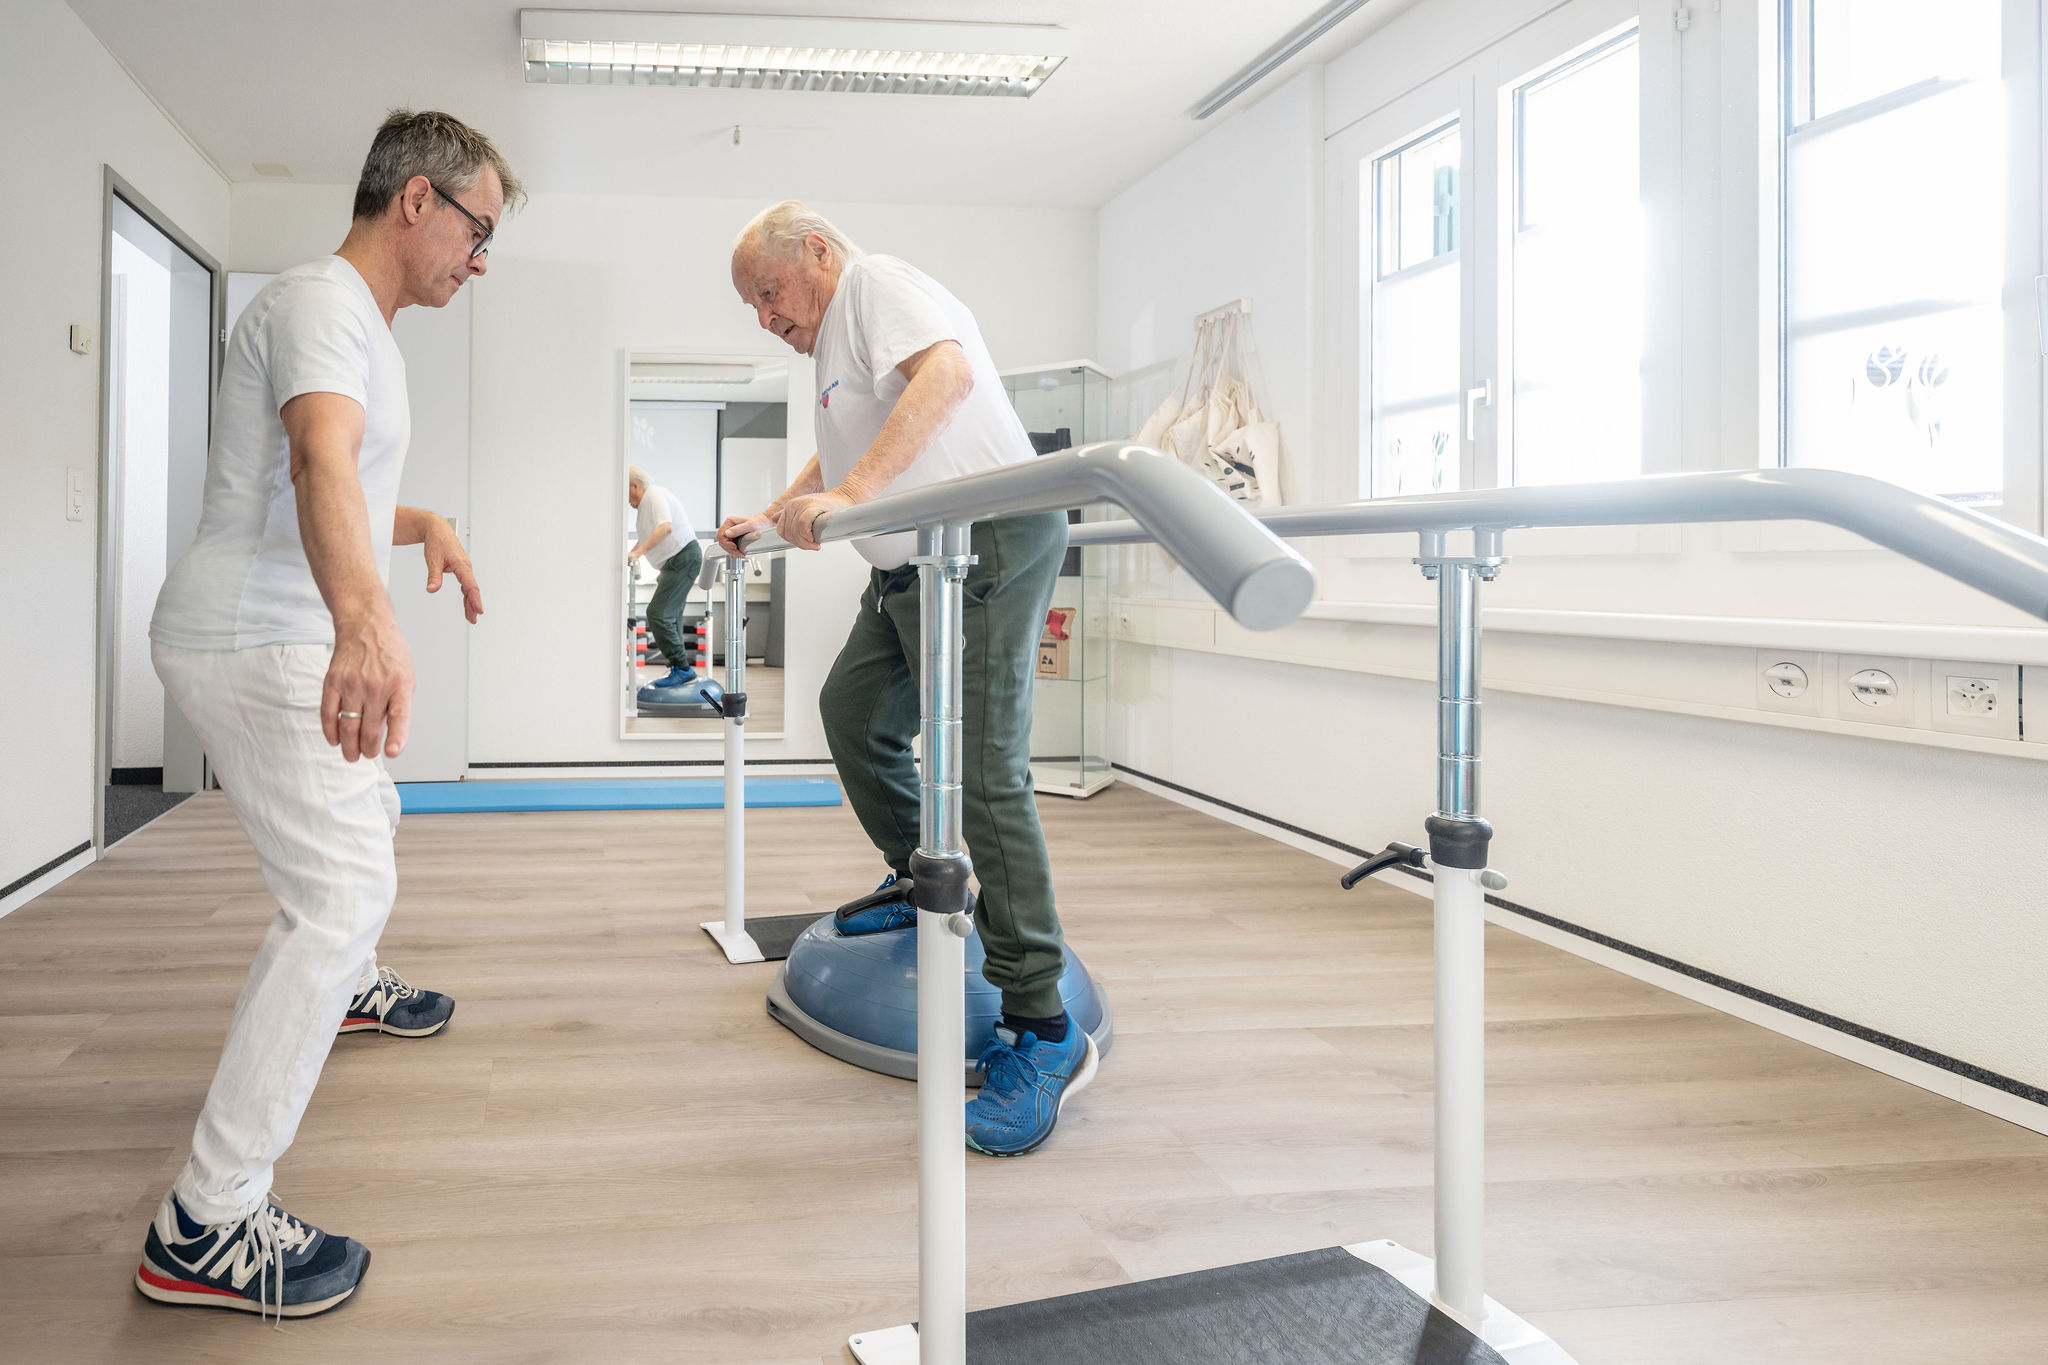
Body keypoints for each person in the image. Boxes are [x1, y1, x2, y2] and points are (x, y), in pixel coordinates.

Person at [137, 110, 520, 1319]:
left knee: (366, 822)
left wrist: (422, 522)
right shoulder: (320, 302)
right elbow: (314, 462)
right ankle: (206, 1220)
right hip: (252, 634)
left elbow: (334, 483)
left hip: (261, 620)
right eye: (478, 229)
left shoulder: (362, 327)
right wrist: (365, 622)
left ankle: (344, 982)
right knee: (342, 890)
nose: (478, 257)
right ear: (417, 199)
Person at [720, 201, 1093, 1158]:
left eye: (768, 293)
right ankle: (919, 869)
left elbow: (949, 376)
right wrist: (779, 513)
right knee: (854, 710)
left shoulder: (875, 283)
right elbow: (847, 448)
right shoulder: (834, 342)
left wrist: (846, 498)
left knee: (984, 769)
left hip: (988, 539)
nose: (766, 315)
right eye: (754, 307)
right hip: (912, 560)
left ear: (814, 251)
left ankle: (1043, 1027)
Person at [626, 466, 704, 687]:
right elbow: (650, 533)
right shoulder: (646, 503)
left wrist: (638, 553)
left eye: (626, 491)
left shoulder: (654, 495)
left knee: (658, 614)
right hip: (674, 562)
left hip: (682, 558)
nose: (626, 500)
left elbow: (665, 527)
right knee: (671, 617)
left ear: (634, 485)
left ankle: (682, 668)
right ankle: (678, 669)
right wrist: (633, 552)